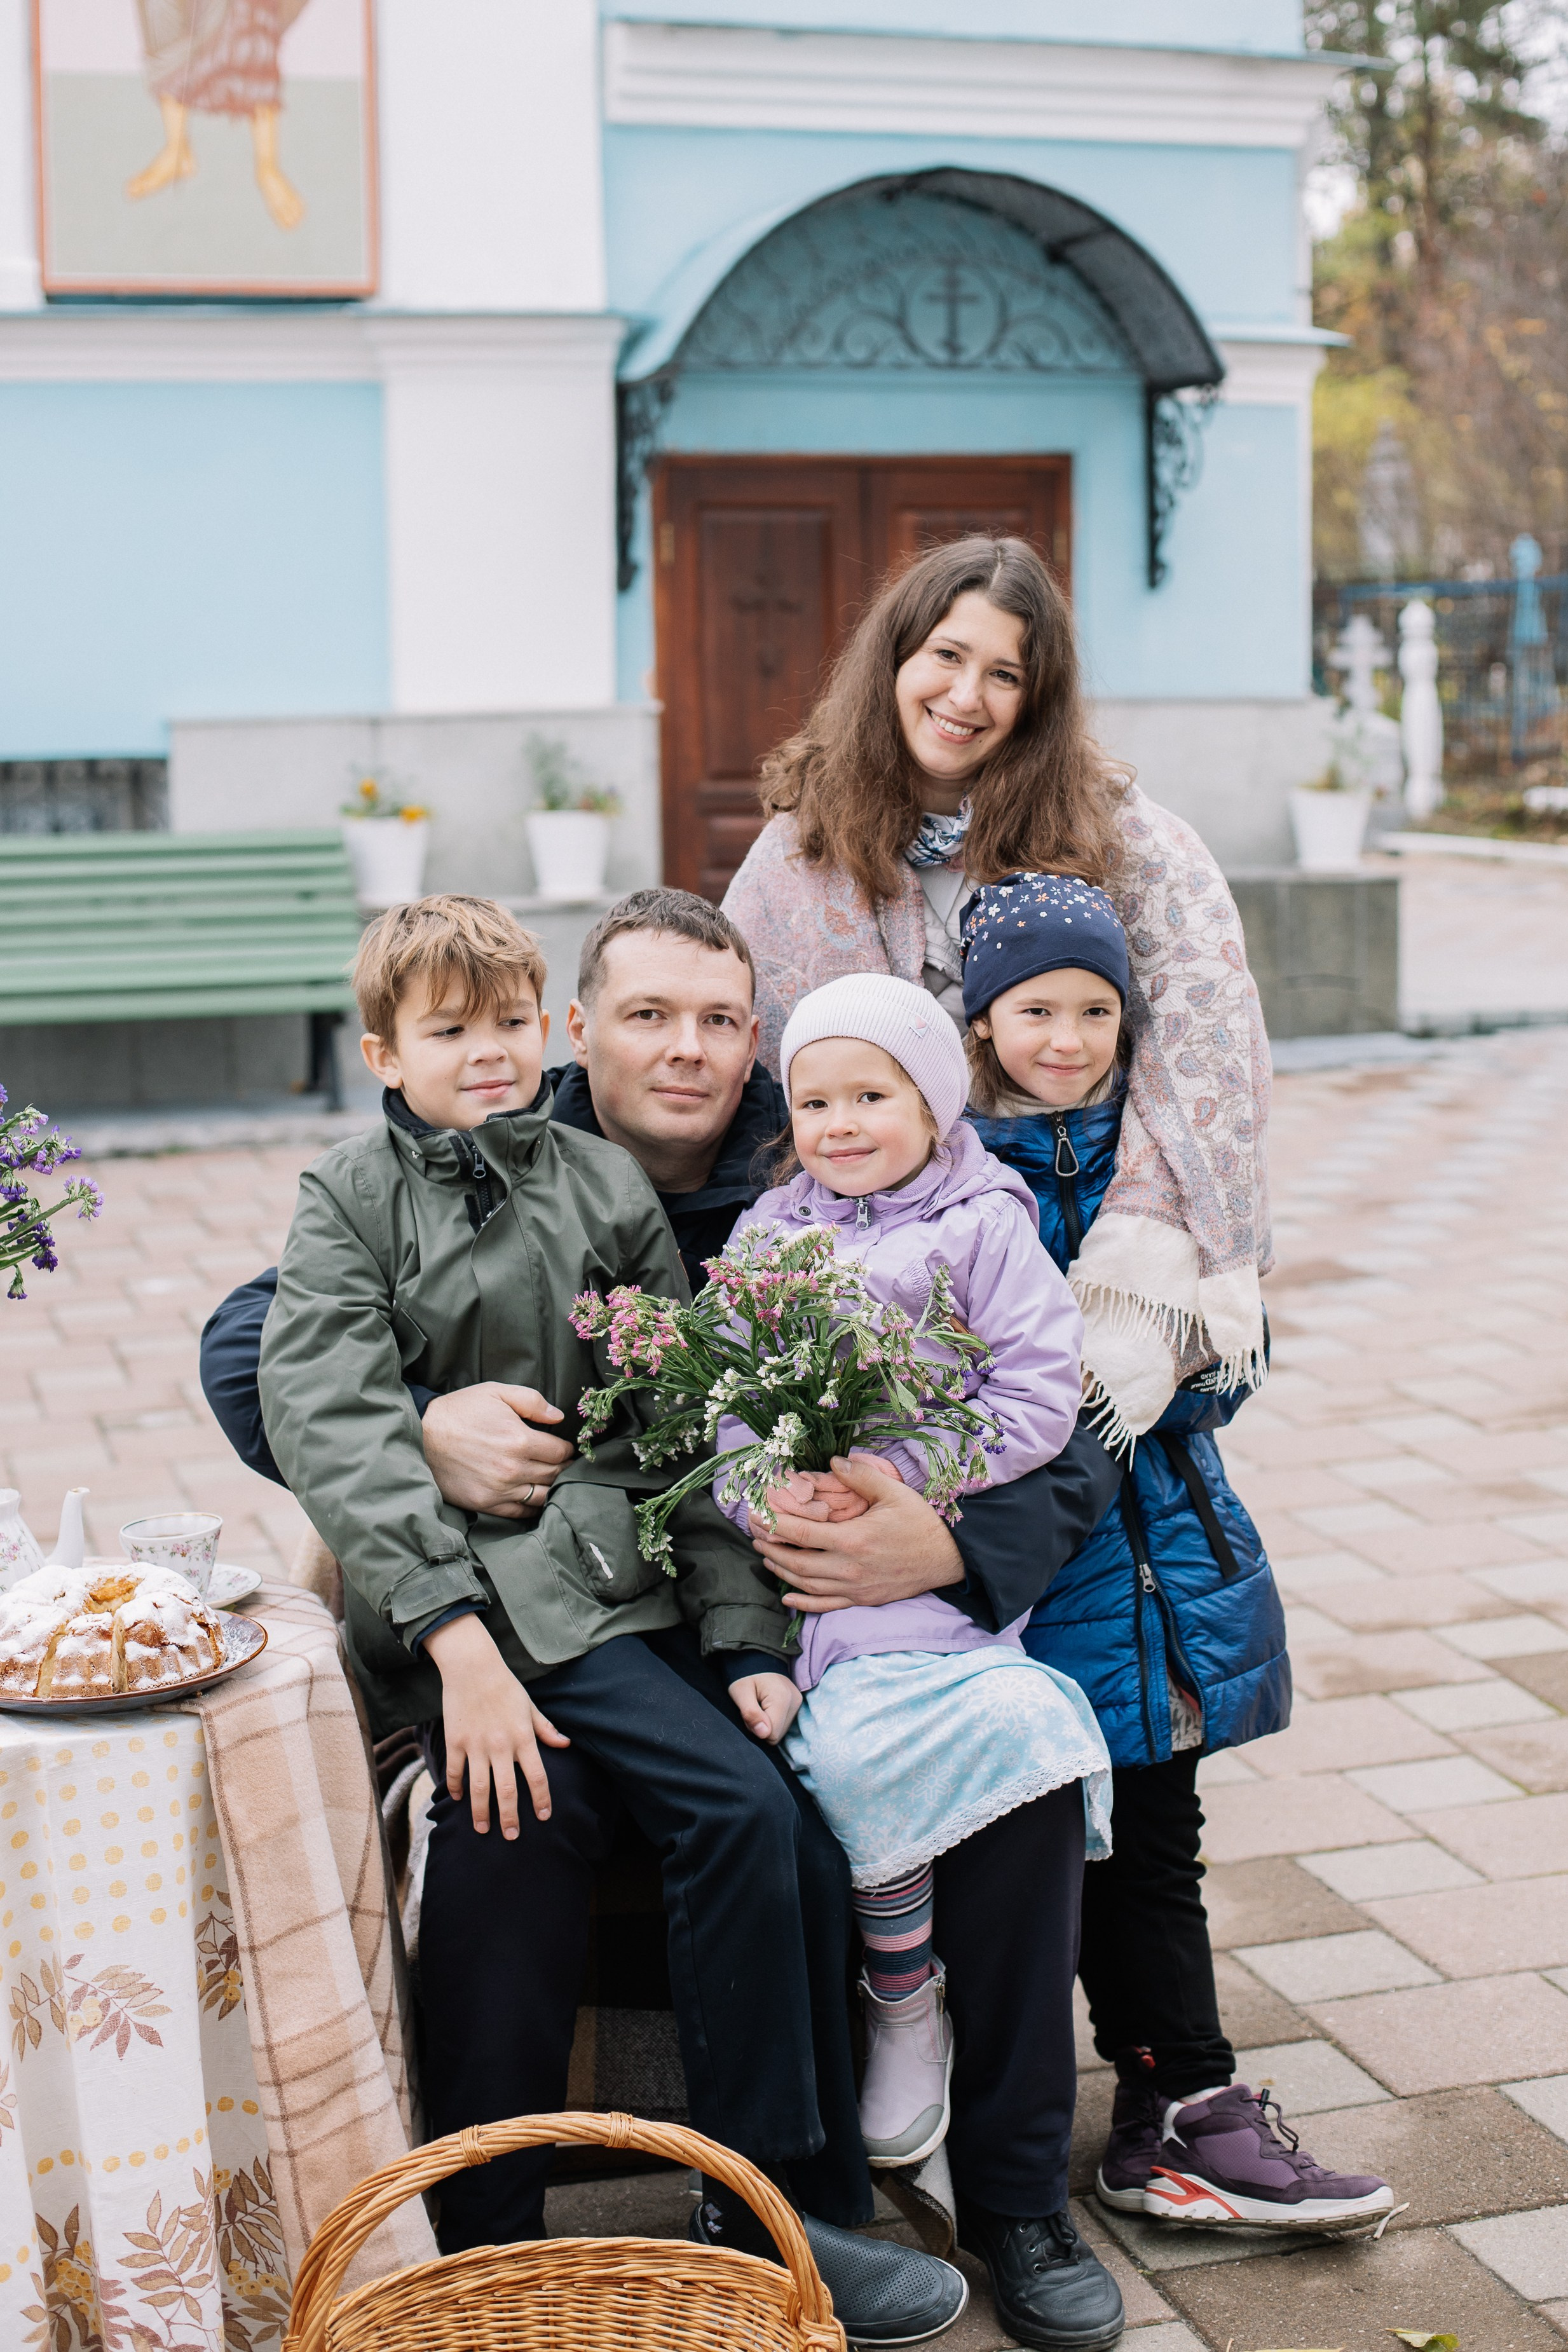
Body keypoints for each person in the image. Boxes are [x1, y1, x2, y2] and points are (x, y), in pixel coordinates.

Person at [212, 888, 1128, 2348]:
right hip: (559, 1607)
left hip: (809, 1608)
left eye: (717, 1019)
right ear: (582, 1031)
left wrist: (942, 1551)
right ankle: (488, 2235)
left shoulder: (838, 1126)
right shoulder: (486, 1121)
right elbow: (260, 1344)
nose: (686, 1049)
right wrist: (425, 1423)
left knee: (991, 1771)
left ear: (756, 1037)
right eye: (647, 1016)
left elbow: (1053, 1406)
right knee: (517, 1800)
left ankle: (1011, 2195)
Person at [962, 871, 1394, 2234]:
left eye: (1098, 1008)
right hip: (1058, 1580)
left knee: (1155, 1837)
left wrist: (1175, 1349)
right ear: (981, 1023)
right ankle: (1146, 2096)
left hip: (1170, 1569)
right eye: (1038, 1008)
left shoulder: (1166, 1163)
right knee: (1078, 1852)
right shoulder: (969, 1179)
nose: (1070, 1036)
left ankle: (1173, 2104)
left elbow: (1220, 1370)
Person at [723, 533, 1273, 1466]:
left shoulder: (1115, 828)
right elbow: (750, 1039)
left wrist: (1132, 1263)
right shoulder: (802, 843)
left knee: (1113, 1526)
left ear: (1038, 698)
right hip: (891, 1270)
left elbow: (1205, 1022)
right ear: (897, 655)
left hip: (1083, 1219)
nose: (966, 697)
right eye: (946, 655)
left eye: (1005, 674)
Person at [710, 974, 1113, 2226]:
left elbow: (1041, 1396)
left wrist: (909, 1481)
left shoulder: (990, 1225)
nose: (837, 1121)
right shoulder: (769, 1233)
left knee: (1011, 1727)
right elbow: (721, 1399)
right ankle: (901, 1985)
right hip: (814, 1585)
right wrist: (765, 1491)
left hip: (931, 1574)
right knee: (841, 1754)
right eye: (814, 1097)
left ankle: (1004, 2168)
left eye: (871, 1095)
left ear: (935, 1103)